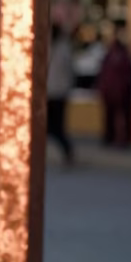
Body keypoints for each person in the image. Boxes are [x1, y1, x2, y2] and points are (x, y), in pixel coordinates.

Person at [97, 23, 131, 148]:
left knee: (116, 116)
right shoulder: (120, 57)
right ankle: (115, 137)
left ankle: (114, 137)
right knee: (116, 116)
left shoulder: (114, 57)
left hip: (116, 92)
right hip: (117, 92)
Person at [46, 23, 75, 164]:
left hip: (58, 93)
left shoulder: (63, 49)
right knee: (48, 126)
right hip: (50, 92)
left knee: (56, 127)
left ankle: (68, 151)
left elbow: (68, 71)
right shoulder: (50, 46)